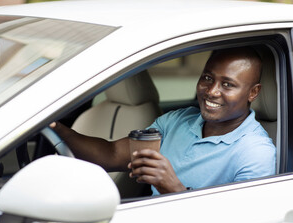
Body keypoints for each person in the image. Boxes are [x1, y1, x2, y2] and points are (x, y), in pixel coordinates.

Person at [50, 47, 276, 195]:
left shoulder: (255, 152)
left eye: (228, 84)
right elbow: (110, 154)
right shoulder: (176, 121)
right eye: (207, 78)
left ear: (253, 93)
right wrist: (57, 129)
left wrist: (173, 188)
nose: (212, 91)